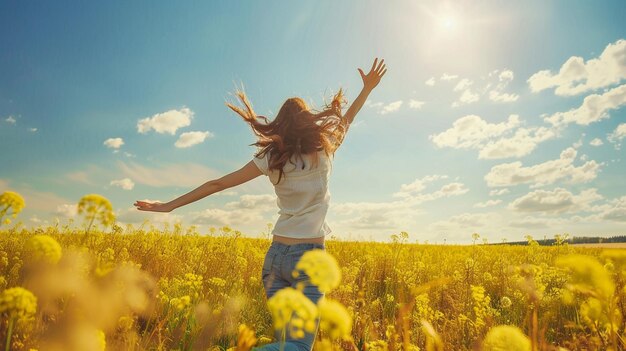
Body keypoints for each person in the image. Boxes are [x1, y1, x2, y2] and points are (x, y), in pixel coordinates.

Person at [134, 57, 387, 351]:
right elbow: (348, 118)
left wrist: (169, 205)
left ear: (281, 124)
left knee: (287, 344)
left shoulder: (270, 157)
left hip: (274, 260)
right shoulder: (324, 148)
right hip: (309, 259)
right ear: (307, 122)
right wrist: (367, 89)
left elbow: (218, 184)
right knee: (299, 347)